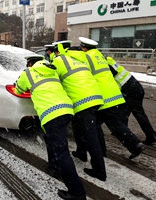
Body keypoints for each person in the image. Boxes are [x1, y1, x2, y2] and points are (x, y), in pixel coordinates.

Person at [14, 55, 87, 200]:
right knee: (51, 139)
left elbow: (18, 90)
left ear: (30, 63)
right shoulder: (52, 70)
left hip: (51, 114)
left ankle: (77, 192)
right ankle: (53, 167)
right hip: (66, 110)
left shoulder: (28, 73)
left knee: (62, 152)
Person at [77, 36, 145, 160]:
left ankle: (101, 151)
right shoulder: (100, 56)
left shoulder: (86, 57)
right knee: (114, 123)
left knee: (95, 124)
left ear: (84, 48)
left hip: (102, 96)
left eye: (82, 47)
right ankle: (135, 144)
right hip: (113, 94)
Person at [51, 40, 107, 181]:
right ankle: (81, 152)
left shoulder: (59, 61)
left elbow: (51, 79)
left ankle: (100, 171)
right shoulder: (79, 58)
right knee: (79, 128)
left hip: (83, 101)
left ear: (58, 51)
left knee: (91, 137)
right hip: (94, 97)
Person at [106, 56, 156, 145]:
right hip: (135, 86)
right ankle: (123, 130)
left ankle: (151, 135)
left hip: (130, 90)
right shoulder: (109, 60)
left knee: (138, 113)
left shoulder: (106, 67)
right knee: (124, 110)